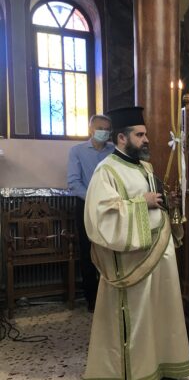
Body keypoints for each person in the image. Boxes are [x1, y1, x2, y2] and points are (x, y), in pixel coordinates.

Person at [81, 106, 189, 380]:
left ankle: (162, 365)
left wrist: (166, 203)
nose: (146, 140)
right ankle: (137, 375)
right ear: (121, 138)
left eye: (145, 134)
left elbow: (156, 203)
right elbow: (101, 217)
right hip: (132, 261)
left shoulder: (145, 167)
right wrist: (142, 203)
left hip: (159, 255)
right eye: (140, 135)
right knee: (140, 316)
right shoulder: (106, 171)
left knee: (161, 312)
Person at [67, 114, 113, 312]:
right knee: (88, 252)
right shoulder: (77, 151)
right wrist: (94, 199)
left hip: (111, 206)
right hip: (86, 205)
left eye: (107, 129)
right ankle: (92, 298)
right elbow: (73, 182)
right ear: (91, 130)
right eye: (100, 128)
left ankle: (110, 295)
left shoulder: (113, 151)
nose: (104, 132)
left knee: (110, 249)